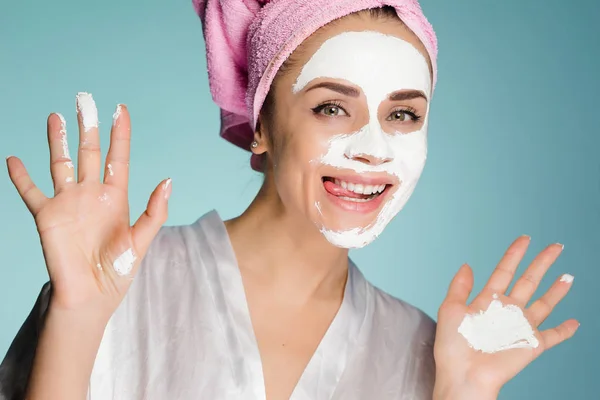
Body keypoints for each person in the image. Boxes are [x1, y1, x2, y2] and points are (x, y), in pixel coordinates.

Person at [0, 0, 578, 399]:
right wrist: (76, 318)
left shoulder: (432, 353)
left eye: (403, 114)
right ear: (262, 126)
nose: (373, 149)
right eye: (332, 107)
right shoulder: (117, 278)